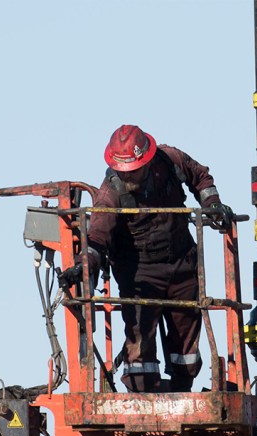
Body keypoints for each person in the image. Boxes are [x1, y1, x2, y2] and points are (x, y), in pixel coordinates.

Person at [61, 124, 232, 393]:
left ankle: (183, 389)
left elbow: (199, 176)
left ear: (147, 160)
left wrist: (212, 205)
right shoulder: (110, 193)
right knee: (140, 339)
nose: (127, 175)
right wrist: (83, 266)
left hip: (182, 263)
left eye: (132, 170)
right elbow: (97, 238)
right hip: (140, 272)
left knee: (186, 334)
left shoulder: (170, 160)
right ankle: (142, 394)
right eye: (122, 170)